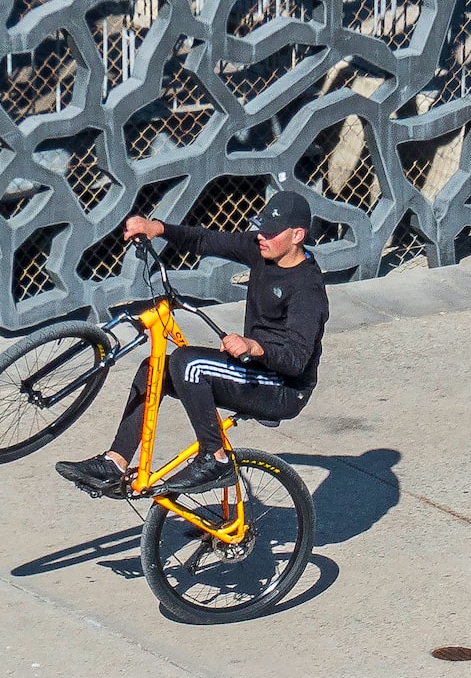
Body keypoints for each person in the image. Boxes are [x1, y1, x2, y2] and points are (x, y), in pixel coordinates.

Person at [56, 188, 328, 496]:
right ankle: (115, 464)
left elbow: (296, 359)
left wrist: (255, 347)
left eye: (271, 232)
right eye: (260, 227)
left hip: (283, 387)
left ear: (297, 236)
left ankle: (215, 460)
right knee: (153, 370)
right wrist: (157, 228)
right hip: (252, 369)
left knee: (188, 363)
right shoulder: (263, 251)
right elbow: (206, 240)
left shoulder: (307, 289)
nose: (261, 236)